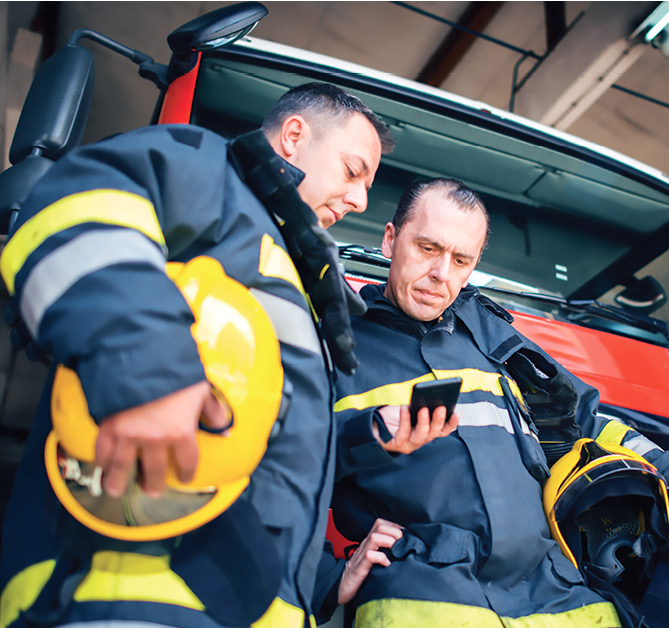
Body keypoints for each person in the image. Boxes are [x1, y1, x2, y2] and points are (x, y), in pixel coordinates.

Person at [0, 82, 394, 628]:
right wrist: (148, 369)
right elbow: (76, 210)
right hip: (125, 590)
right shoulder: (209, 171)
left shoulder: (300, 277)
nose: (360, 201)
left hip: (242, 600)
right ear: (294, 136)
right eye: (353, 172)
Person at [316, 178, 669, 626]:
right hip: (424, 601)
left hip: (560, 597)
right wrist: (329, 577)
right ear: (391, 240)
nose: (442, 274)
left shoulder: (492, 337)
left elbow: (583, 424)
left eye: (460, 260)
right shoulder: (331, 345)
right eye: (428, 248)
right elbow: (273, 475)